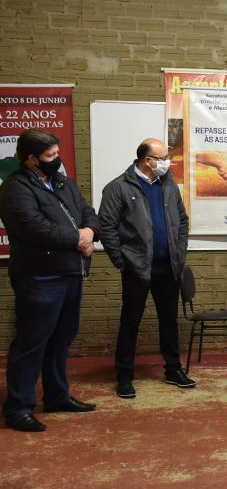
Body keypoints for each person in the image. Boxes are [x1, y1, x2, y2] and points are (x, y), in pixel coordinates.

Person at [0, 129, 100, 432]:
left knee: (61, 339)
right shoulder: (15, 188)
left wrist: (90, 232)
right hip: (40, 277)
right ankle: (19, 408)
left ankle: (57, 396)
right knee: (31, 343)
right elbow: (34, 228)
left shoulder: (62, 181)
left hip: (71, 273)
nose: (57, 159)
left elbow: (87, 211)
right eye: (50, 155)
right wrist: (77, 239)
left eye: (57, 153)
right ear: (31, 159)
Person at [99, 138, 194, 398]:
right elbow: (107, 227)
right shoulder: (118, 187)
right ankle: (124, 376)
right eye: (163, 158)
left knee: (169, 321)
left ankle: (173, 370)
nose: (168, 162)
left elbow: (182, 221)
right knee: (130, 322)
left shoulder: (168, 184)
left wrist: (179, 253)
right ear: (147, 161)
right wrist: (121, 260)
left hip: (168, 267)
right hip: (137, 268)